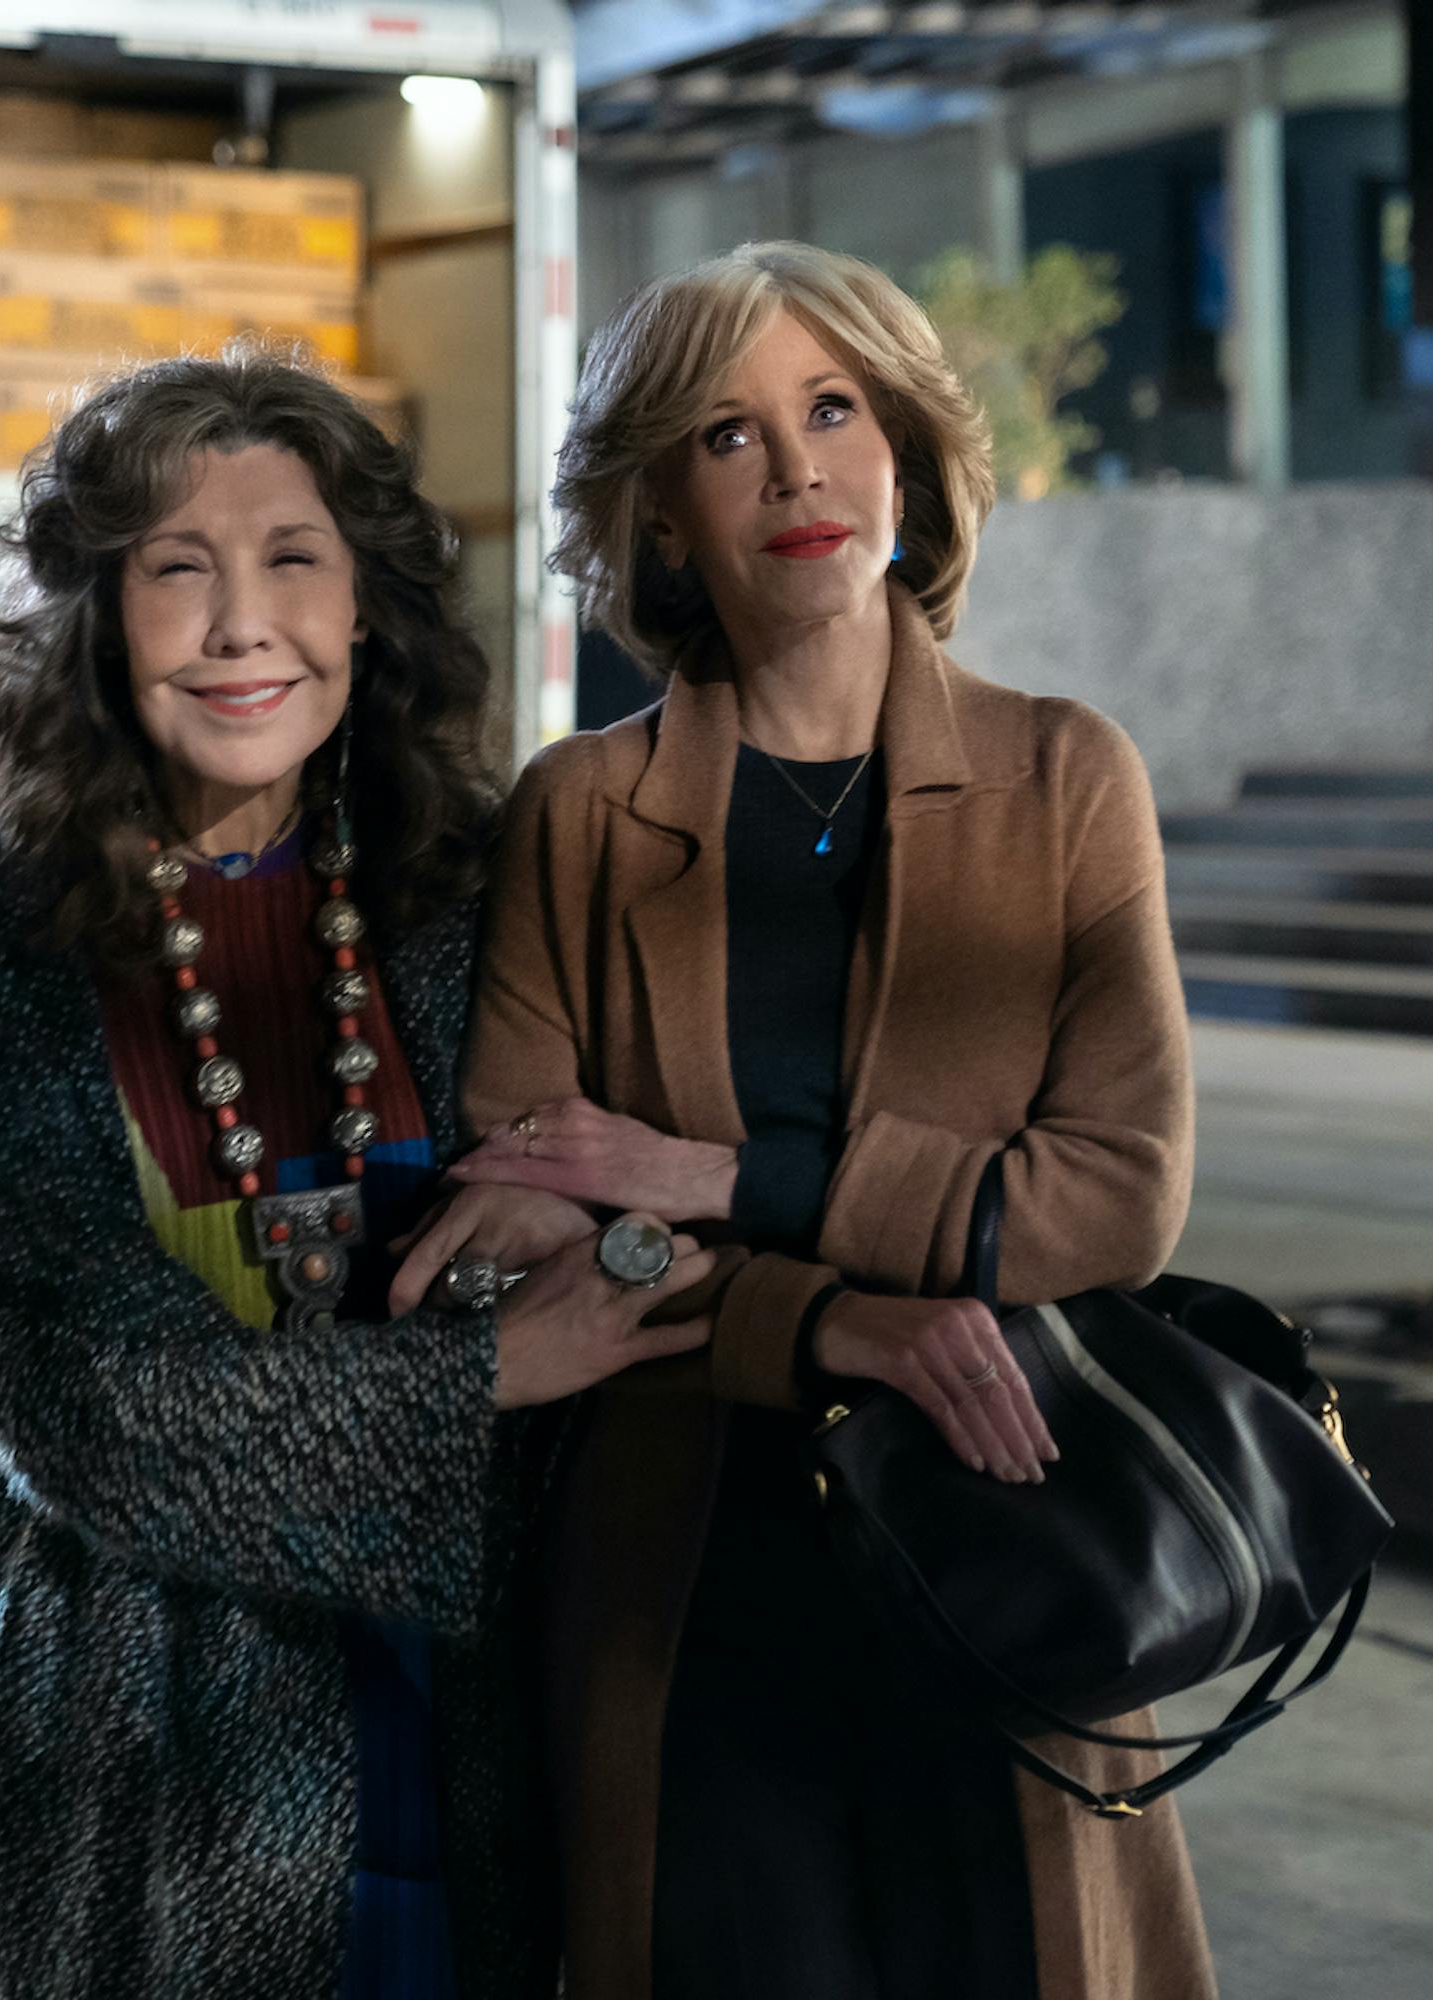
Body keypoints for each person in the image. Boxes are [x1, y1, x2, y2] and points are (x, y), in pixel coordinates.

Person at [0, 349, 712, 2000]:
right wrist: (491, 1376)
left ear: (368, 609)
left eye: (293, 559)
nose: (243, 625)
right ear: (97, 626)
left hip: (460, 1700)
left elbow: (620, 1214)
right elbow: (94, 1408)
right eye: (178, 569)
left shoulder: (468, 888)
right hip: (140, 1736)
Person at [399, 244, 1213, 1998]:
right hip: (684, 1566)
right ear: (663, 519)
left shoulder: (1068, 776)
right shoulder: (579, 812)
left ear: (904, 457)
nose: (796, 468)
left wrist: (714, 1181)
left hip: (999, 1536)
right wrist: (840, 1315)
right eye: (725, 431)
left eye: (832, 409)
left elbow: (1117, 1198)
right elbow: (523, 1209)